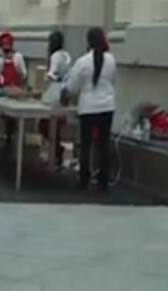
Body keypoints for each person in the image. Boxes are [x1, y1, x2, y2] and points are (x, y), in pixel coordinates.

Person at [64, 26, 117, 191]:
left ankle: (84, 180)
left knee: (86, 144)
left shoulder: (82, 62)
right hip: (107, 106)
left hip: (88, 107)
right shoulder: (111, 60)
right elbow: (113, 80)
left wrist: (64, 93)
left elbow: (72, 86)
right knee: (103, 144)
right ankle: (103, 181)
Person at [39, 29, 71, 166]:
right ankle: (56, 151)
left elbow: (51, 74)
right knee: (57, 124)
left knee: (46, 124)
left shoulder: (55, 56)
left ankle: (55, 151)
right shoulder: (66, 55)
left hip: (54, 92)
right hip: (64, 91)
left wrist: (44, 77)